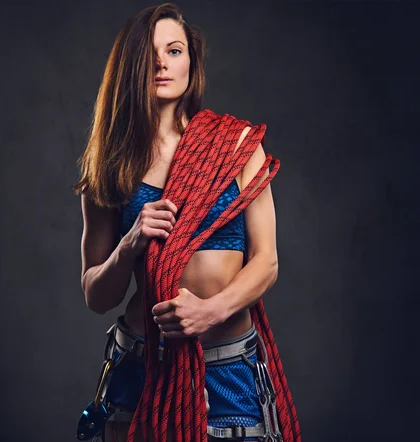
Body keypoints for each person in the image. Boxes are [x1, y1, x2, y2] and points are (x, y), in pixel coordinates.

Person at [73, 3, 300, 441]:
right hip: (142, 367)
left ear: (191, 64)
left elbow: (266, 261)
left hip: (228, 368)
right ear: (131, 65)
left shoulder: (233, 144)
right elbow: (96, 294)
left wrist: (209, 311)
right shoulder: (110, 164)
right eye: (150, 53)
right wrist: (131, 242)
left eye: (174, 50)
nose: (162, 62)